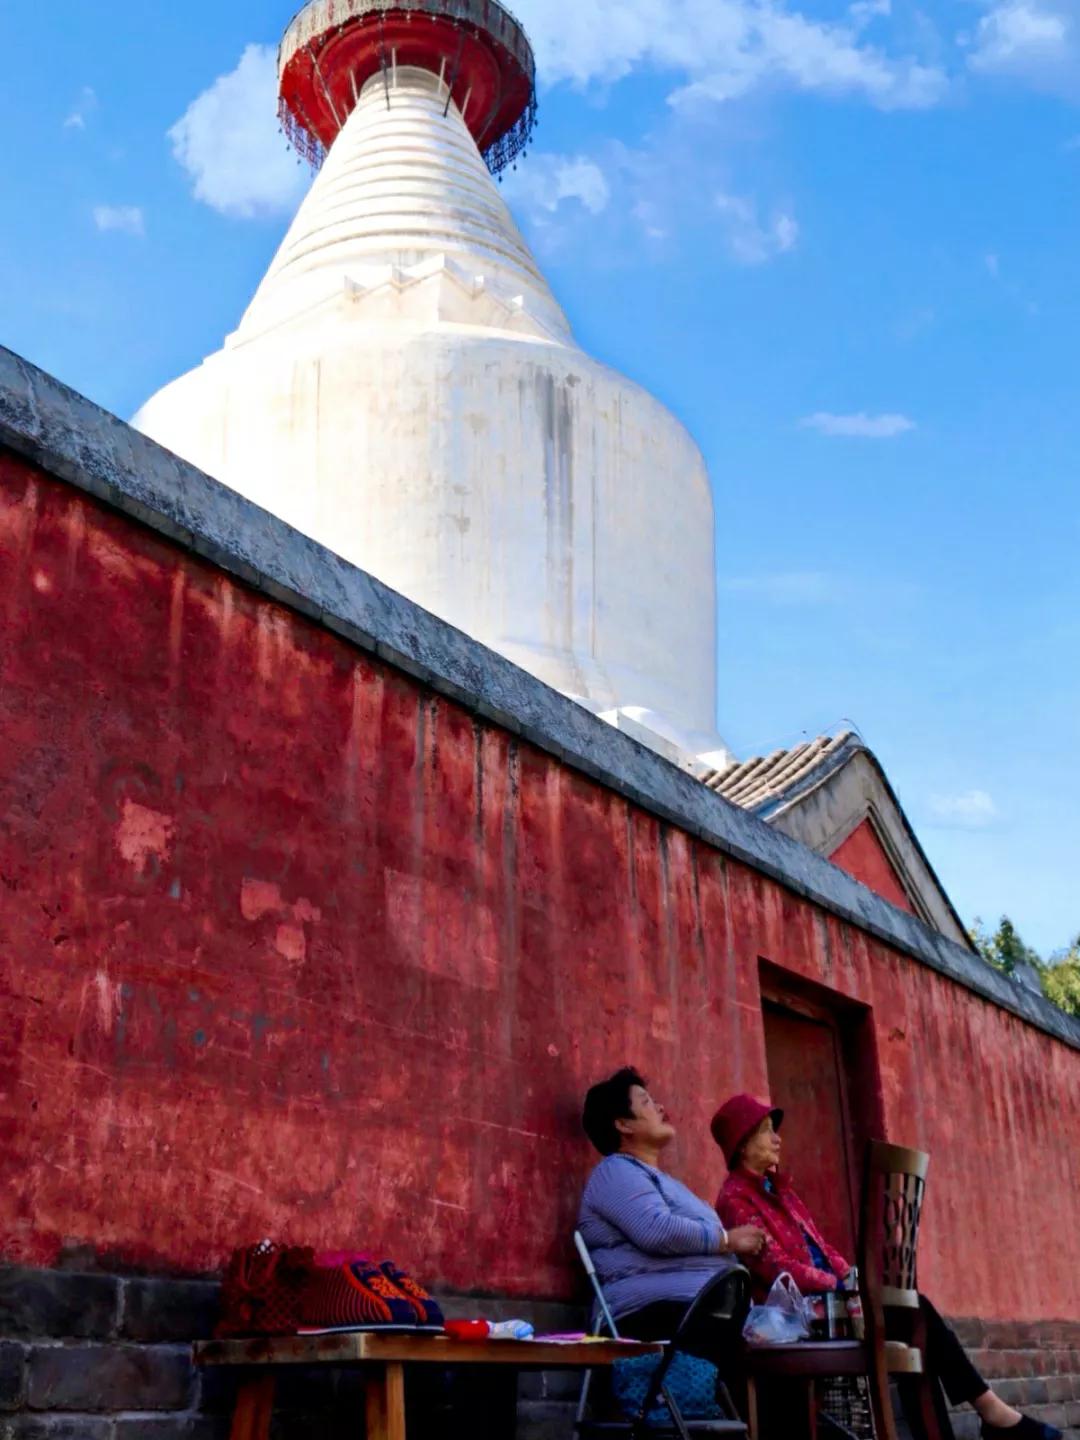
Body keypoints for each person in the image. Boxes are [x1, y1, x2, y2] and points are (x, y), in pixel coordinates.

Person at [712, 1093, 1062, 1440]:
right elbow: (776, 1268)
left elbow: (823, 1247)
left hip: (833, 1301)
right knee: (914, 1315)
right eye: (766, 1131)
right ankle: (991, 1415)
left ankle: (988, 1416)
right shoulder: (735, 1198)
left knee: (914, 1318)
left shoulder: (782, 1192)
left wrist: (851, 1277)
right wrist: (840, 1286)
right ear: (742, 1144)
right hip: (799, 1316)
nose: (778, 1138)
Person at [577, 1067, 766, 1340]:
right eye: (647, 1102)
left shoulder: (666, 1183)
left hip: (701, 1310)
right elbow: (656, 1230)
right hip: (648, 1314)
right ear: (623, 1124)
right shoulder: (615, 1171)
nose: (661, 1107)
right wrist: (726, 1240)